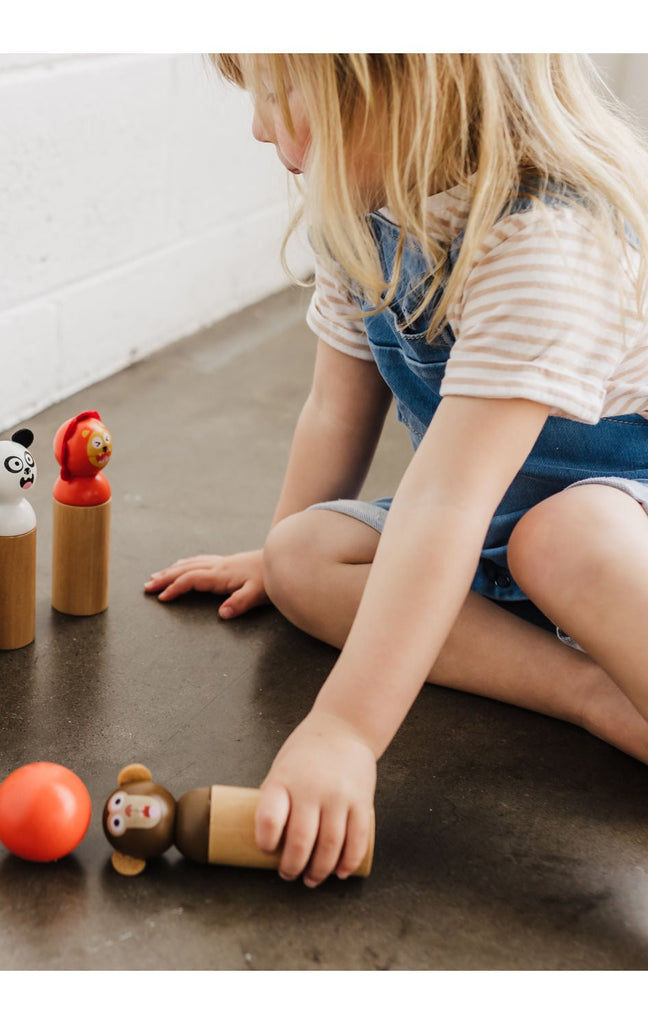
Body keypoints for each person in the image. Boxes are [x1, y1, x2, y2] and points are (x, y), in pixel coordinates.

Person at [145, 54, 648, 888]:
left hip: (610, 525)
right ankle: (591, 692)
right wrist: (270, 551)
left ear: (403, 89)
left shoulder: (545, 240)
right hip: (485, 532)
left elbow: (448, 501)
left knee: (563, 539)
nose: (260, 127)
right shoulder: (360, 215)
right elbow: (334, 410)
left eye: (280, 93)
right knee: (300, 556)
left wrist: (344, 730)